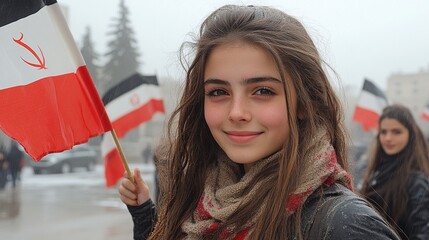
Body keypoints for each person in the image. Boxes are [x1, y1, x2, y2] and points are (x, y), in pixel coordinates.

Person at [118, 5, 400, 239]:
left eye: (263, 91)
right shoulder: (197, 204)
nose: (236, 112)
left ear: (305, 103)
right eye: (218, 92)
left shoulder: (345, 226)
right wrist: (144, 212)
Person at [359, 104, 429, 239]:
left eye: (396, 132)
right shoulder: (375, 174)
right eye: (383, 132)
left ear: (411, 134)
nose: (388, 138)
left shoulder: (417, 183)